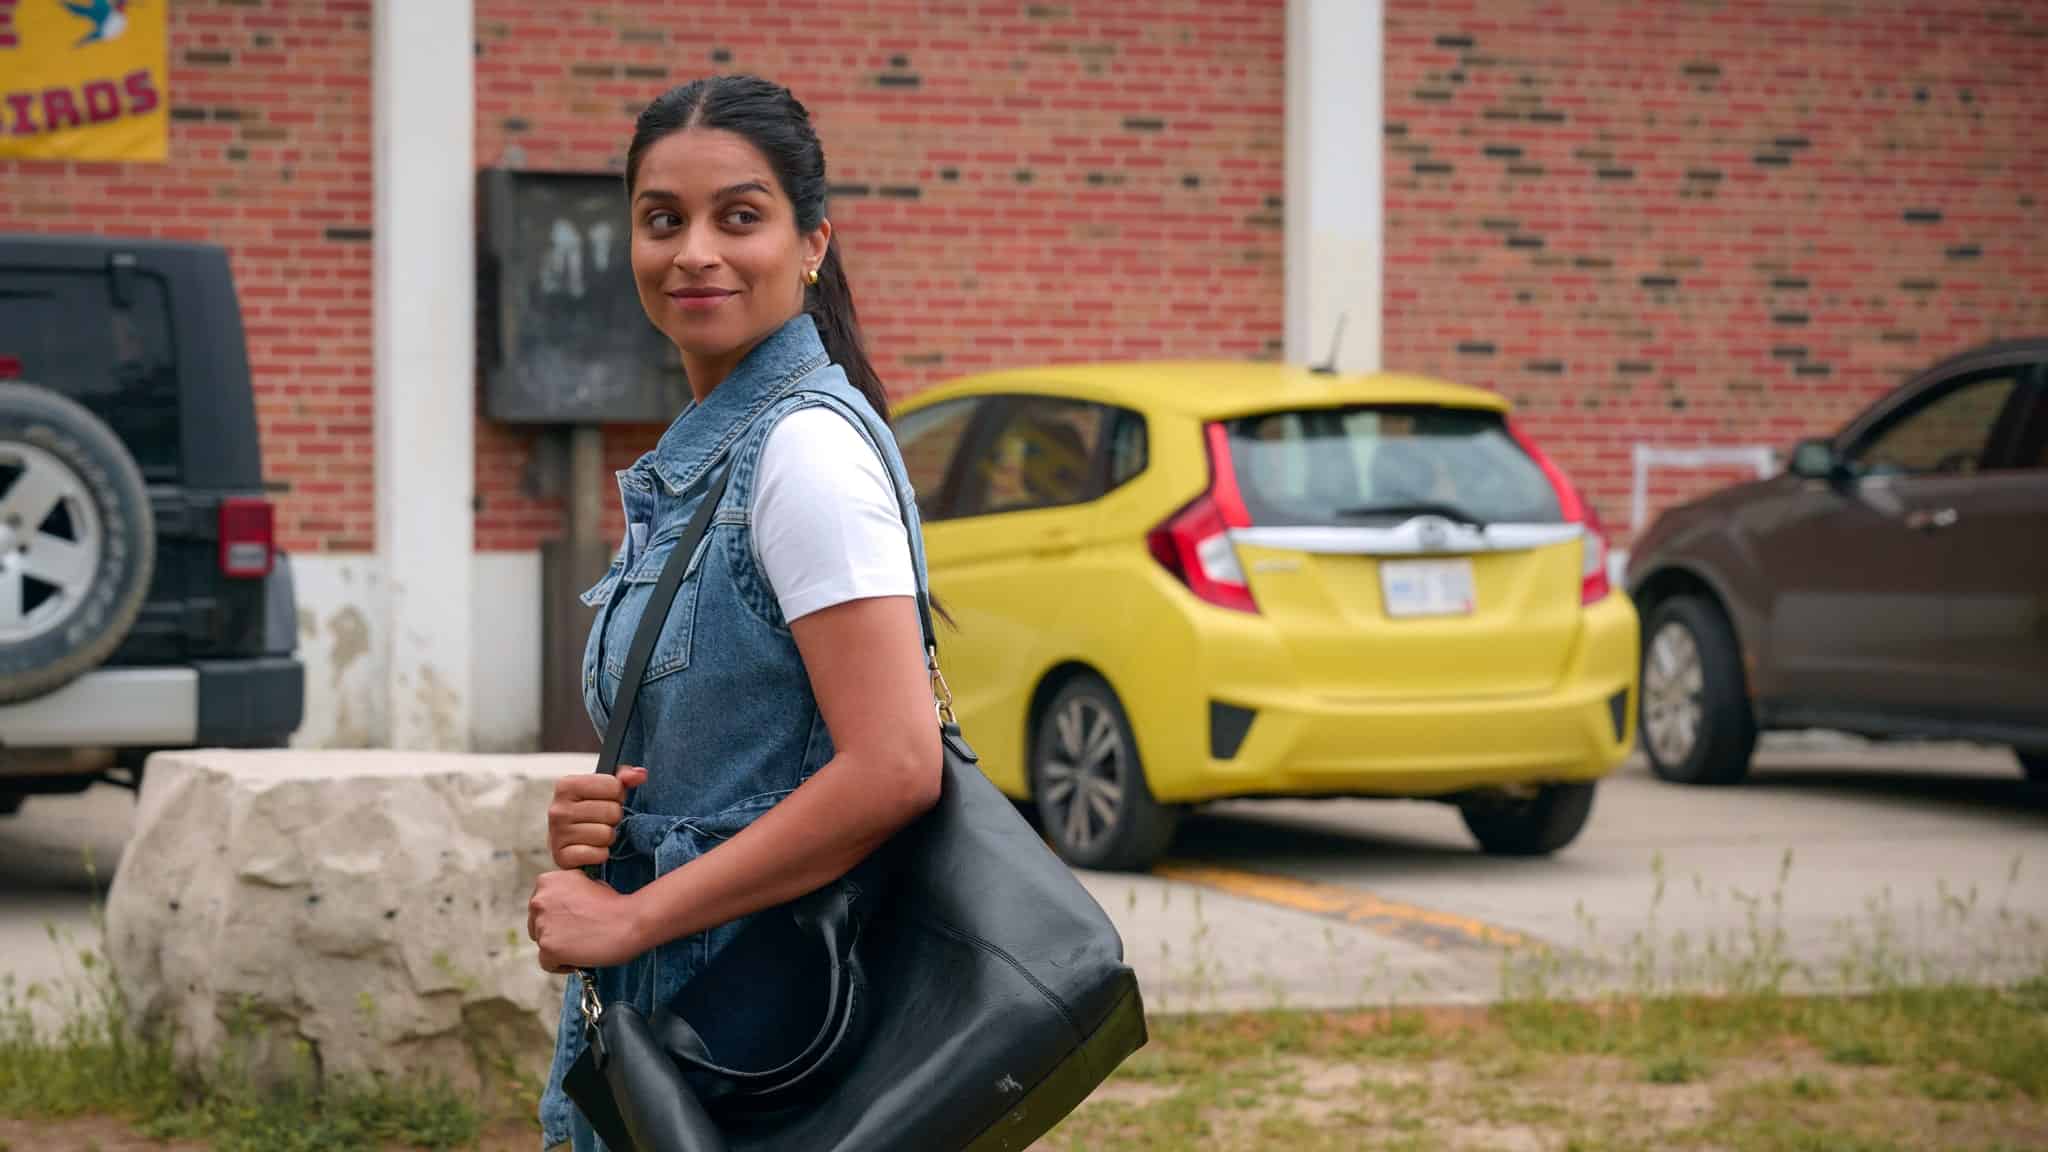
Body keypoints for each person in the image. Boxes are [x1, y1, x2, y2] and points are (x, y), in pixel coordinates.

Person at [525, 74, 944, 1152]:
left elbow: (895, 763)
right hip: (693, 1015)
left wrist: (632, 916)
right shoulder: (712, 455)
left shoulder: (799, 453)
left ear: (811, 242)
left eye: (738, 216)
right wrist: (615, 819)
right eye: (662, 219)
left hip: (748, 1032)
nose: (693, 251)